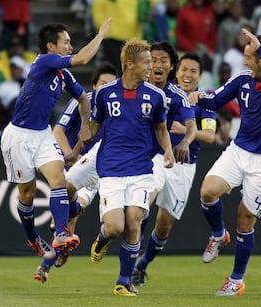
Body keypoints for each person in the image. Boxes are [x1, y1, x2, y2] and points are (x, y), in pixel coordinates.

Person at [188, 28, 261, 296]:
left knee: (245, 220)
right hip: (239, 150)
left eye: (249, 57)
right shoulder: (241, 80)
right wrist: (197, 97)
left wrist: (260, 48)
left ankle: (236, 281)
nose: (245, 62)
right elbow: (214, 100)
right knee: (207, 191)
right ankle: (218, 234)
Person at [0, 18, 111, 261]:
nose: (70, 47)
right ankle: (32, 237)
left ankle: (61, 232)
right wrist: (100, 35)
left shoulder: (63, 75)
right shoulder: (45, 62)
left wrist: (84, 127)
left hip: (42, 134)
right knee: (27, 195)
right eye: (66, 42)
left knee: (59, 180)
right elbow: (82, 59)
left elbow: (84, 99)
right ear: (51, 46)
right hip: (18, 136)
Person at [89, 37, 175, 297]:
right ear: (129, 65)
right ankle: (103, 237)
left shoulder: (156, 96)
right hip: (112, 170)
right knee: (115, 226)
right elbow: (93, 128)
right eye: (146, 62)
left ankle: (123, 281)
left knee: (134, 221)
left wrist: (168, 150)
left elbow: (161, 129)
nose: (151, 66)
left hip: (141, 170)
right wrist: (78, 144)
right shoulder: (105, 93)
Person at [132, 50, 215, 287]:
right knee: (146, 199)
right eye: (184, 70)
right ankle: (131, 254)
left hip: (184, 167)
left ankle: (142, 265)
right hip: (157, 158)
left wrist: (187, 133)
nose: (188, 74)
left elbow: (210, 136)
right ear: (176, 72)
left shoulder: (205, 102)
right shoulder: (161, 93)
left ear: (200, 76)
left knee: (164, 224)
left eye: (193, 71)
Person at [33, 62, 119, 283]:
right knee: (68, 203)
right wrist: (71, 154)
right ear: (94, 85)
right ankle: (57, 252)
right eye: (102, 84)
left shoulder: (118, 106)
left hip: (107, 166)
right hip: (78, 163)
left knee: (73, 214)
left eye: (111, 84)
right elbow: (58, 129)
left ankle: (46, 264)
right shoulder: (83, 101)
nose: (106, 88)